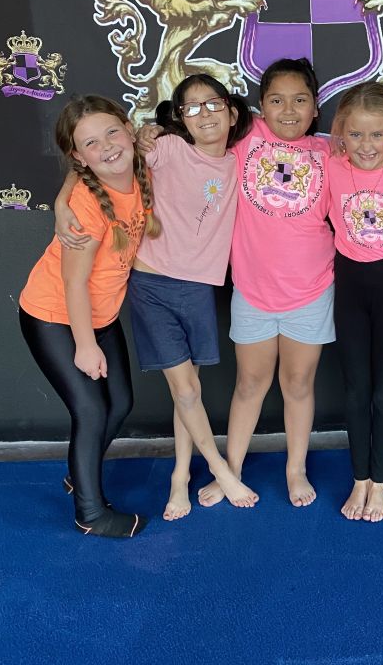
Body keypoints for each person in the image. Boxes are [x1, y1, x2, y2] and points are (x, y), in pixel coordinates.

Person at [54, 76, 259, 519]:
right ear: (181, 118)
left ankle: (180, 475)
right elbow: (98, 161)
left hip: (199, 289)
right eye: (192, 108)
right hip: (152, 287)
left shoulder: (242, 157)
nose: (204, 114)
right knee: (184, 390)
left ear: (232, 112)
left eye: (213, 104)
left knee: (190, 392)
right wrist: (61, 201)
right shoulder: (167, 149)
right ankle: (218, 468)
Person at [19, 95, 160, 538]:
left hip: (101, 315)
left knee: (120, 403)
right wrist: (84, 345)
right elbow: (73, 283)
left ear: (129, 129)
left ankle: (80, 473)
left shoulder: (139, 169)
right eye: (91, 143)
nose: (107, 146)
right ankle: (91, 514)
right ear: (79, 156)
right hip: (54, 315)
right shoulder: (85, 206)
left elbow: (136, 144)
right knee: (91, 410)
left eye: (112, 132)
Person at [198, 57, 335, 509]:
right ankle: (232, 469)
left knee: (298, 384)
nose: (289, 110)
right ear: (260, 107)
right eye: (277, 100)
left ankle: (295, 468)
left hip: (311, 291)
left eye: (300, 100)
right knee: (249, 384)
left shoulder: (330, 154)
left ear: (316, 107)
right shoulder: (244, 138)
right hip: (253, 291)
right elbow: (182, 131)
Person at [327, 82, 383, 522]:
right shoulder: (331, 168)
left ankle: (379, 483)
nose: (366, 145)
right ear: (341, 134)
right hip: (350, 286)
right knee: (356, 390)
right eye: (356, 134)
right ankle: (359, 478)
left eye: (377, 134)